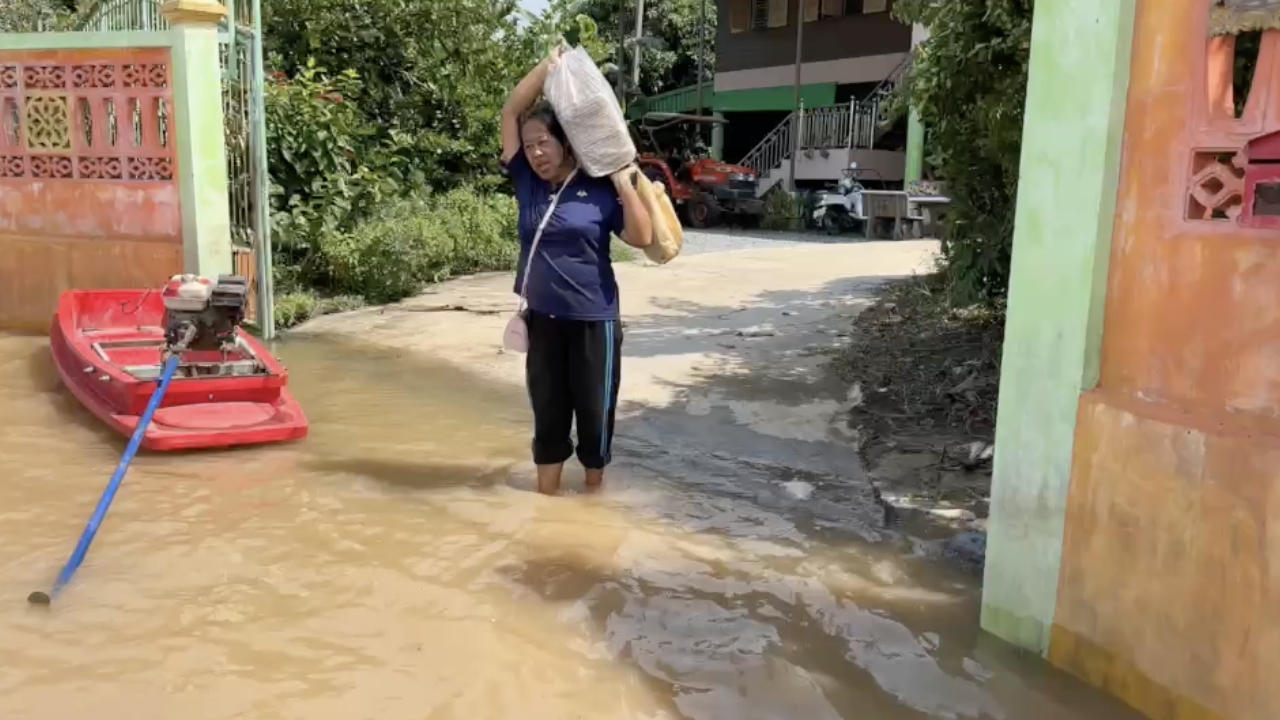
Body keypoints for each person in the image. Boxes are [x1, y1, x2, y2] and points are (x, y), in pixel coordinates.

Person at [500, 52, 653, 496]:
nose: (536, 152)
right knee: (548, 417)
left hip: (595, 322)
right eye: (529, 146)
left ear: (565, 142)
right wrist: (547, 69)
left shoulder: (600, 188)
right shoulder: (526, 182)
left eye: (544, 142)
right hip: (543, 321)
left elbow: (641, 238)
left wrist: (625, 181)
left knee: (593, 420)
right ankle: (546, 507)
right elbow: (511, 110)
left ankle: (592, 505)